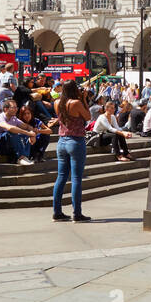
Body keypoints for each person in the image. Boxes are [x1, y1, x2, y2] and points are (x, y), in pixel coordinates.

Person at [52, 79, 92, 222]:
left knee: (61, 177)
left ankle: (57, 212)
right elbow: (88, 116)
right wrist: (84, 99)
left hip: (61, 142)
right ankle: (77, 213)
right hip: (75, 141)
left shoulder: (57, 103)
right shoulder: (75, 103)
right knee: (76, 179)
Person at [0, 99, 38, 166]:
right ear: (5, 109)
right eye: (13, 107)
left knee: (23, 134)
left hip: (5, 145)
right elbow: (10, 128)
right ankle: (21, 158)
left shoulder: (13, 118)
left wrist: (32, 134)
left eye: (16, 107)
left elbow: (26, 127)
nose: (16, 109)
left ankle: (25, 157)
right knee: (10, 132)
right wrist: (28, 133)